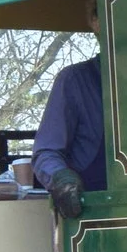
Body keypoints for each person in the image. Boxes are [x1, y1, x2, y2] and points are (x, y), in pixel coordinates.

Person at [32, 28, 105, 219]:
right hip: (93, 217)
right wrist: (61, 179)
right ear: (96, 23)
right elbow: (46, 153)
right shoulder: (75, 80)